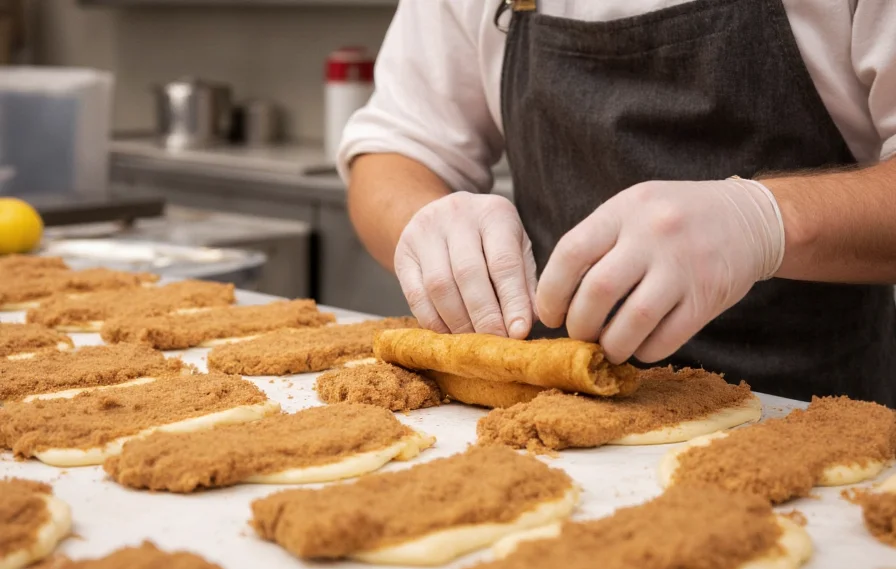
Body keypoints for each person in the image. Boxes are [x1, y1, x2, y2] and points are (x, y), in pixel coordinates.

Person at [338, 0, 896, 406]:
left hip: (812, 413)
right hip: (555, 402)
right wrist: (424, 218)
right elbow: (396, 147)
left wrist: (766, 222)